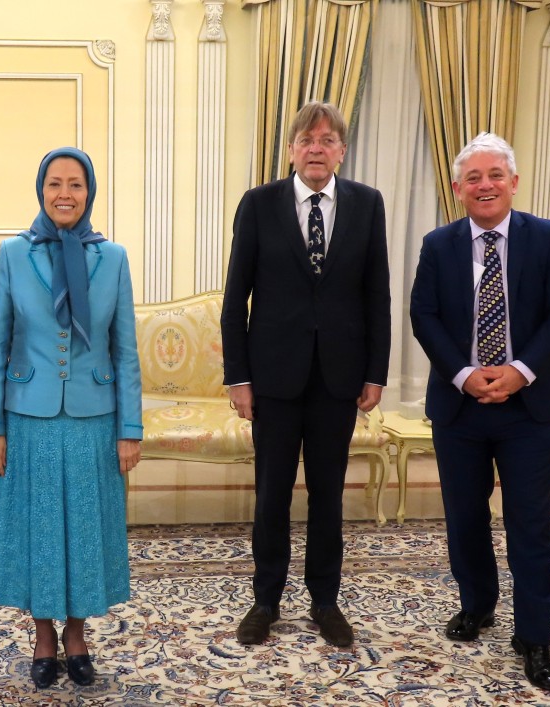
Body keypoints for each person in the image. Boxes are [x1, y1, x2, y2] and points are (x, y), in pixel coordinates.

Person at [410, 133, 550, 692]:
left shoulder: (547, 238)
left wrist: (519, 370)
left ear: (513, 181)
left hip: (529, 407)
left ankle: (534, 638)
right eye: (473, 178)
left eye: (494, 175)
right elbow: (424, 316)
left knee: (531, 525)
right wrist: (465, 374)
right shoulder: (438, 244)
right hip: (460, 408)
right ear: (458, 189)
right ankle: (477, 605)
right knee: (465, 519)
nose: (485, 185)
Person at [221, 101, 390, 649]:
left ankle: (324, 600)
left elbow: (377, 295)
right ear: (291, 149)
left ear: (342, 150)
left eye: (327, 140)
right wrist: (237, 377)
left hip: (338, 378)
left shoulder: (367, 205)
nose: (316, 149)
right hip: (273, 377)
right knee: (271, 494)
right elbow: (234, 300)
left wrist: (376, 372)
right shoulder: (258, 204)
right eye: (306, 139)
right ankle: (265, 600)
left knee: (328, 494)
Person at [0, 146, 143, 689]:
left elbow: (125, 353)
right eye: (55, 184)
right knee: (39, 532)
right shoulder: (13, 253)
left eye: (76, 184)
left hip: (95, 420)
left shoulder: (112, 258)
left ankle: (77, 636)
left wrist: (130, 429)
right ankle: (44, 637)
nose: (65, 194)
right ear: (41, 190)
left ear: (89, 192)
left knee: (82, 532)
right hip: (29, 418)